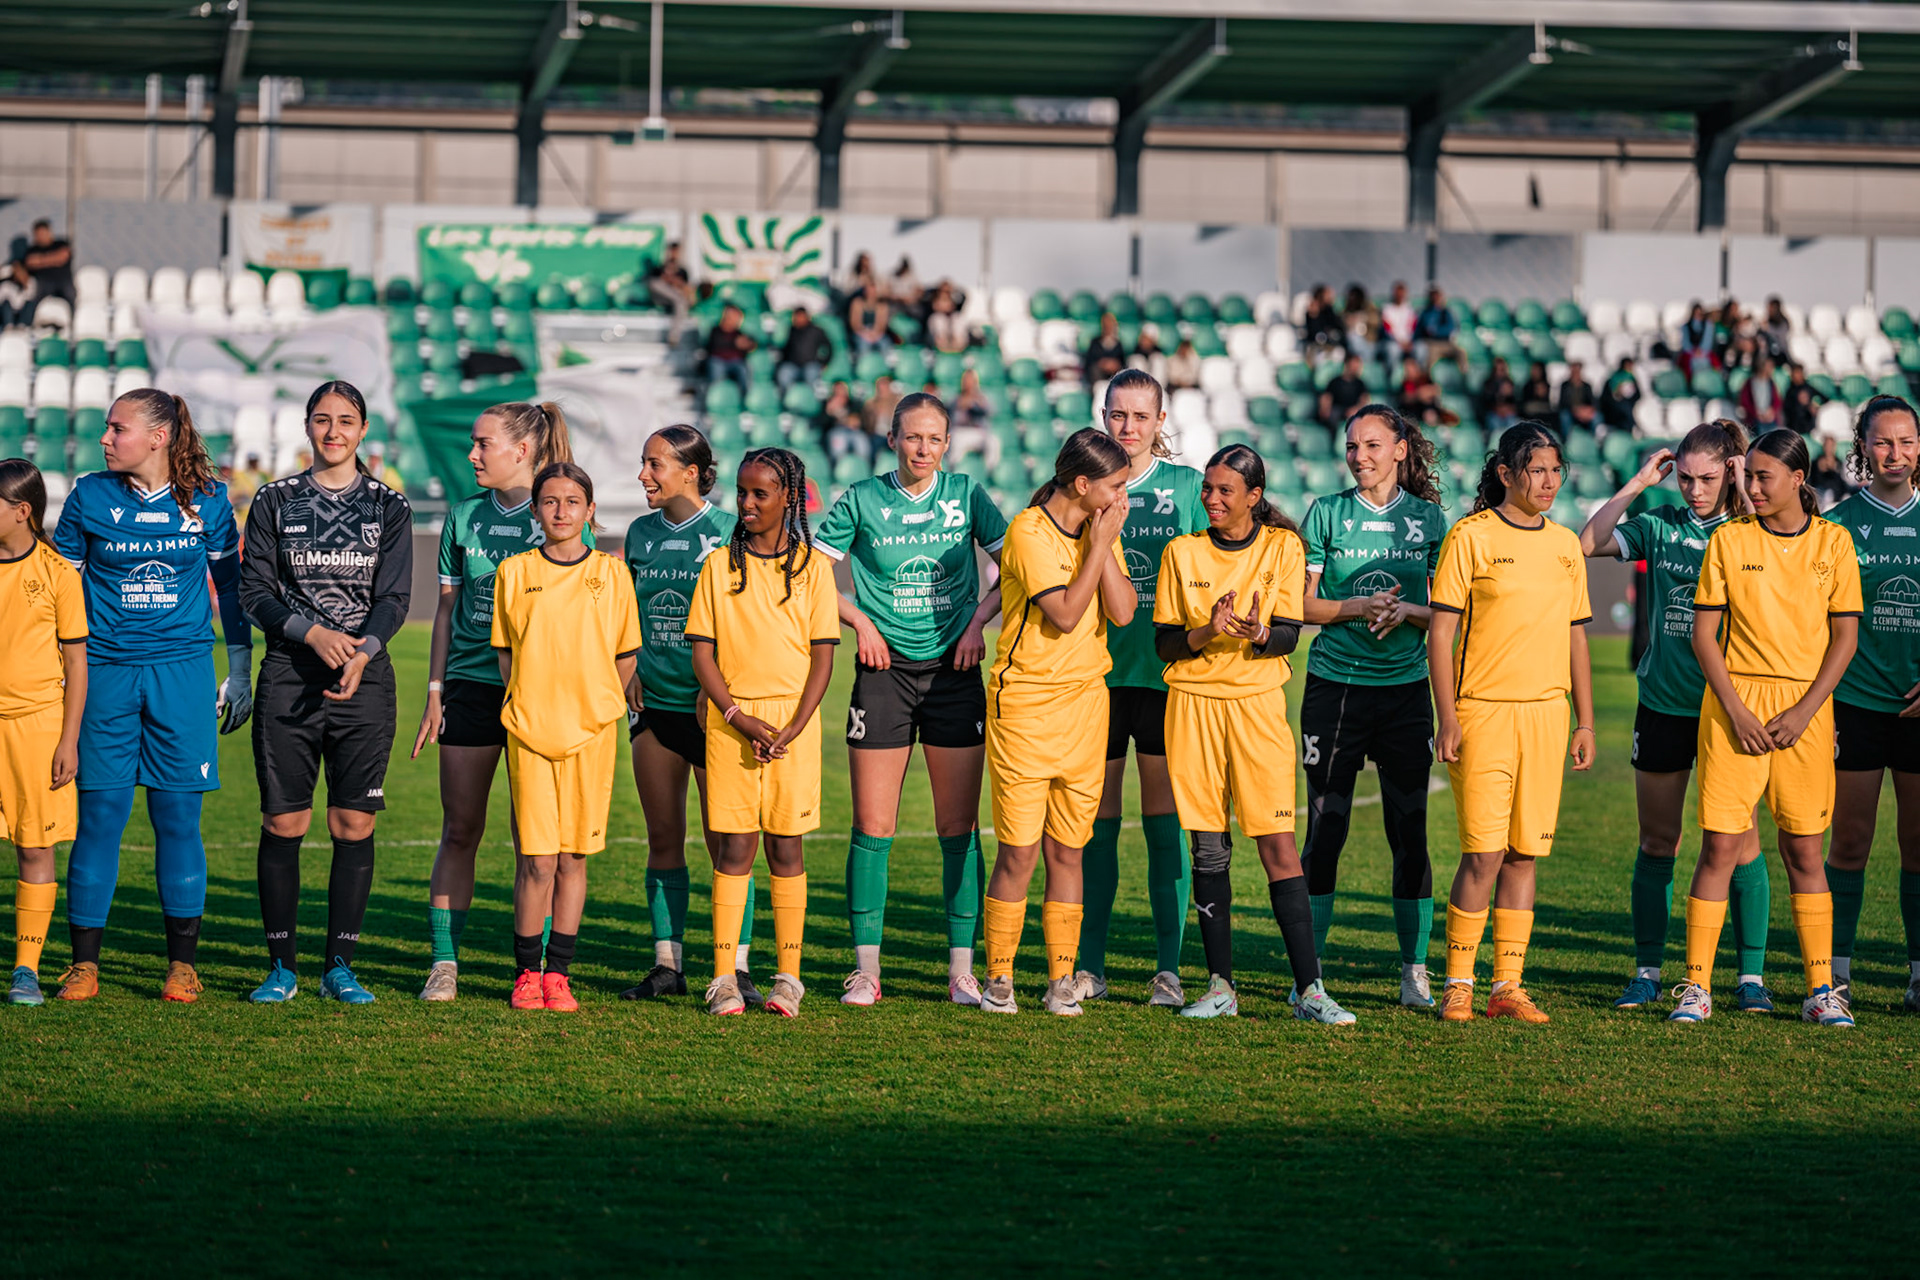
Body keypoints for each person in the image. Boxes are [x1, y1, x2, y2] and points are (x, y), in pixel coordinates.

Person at [51, 389, 253, 1003]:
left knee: (177, 820)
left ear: (159, 436)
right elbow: (57, 593)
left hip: (183, 676)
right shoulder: (89, 495)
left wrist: (239, 667)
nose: (106, 439)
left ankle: (181, 967)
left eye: (118, 428)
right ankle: (84, 965)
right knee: (101, 819)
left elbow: (232, 589)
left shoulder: (210, 501)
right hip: (105, 675)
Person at [815, 394, 1007, 1006]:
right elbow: (813, 576)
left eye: (935, 439)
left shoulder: (967, 494)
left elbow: (1016, 570)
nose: (924, 449)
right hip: (882, 673)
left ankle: (961, 973)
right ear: (892, 437)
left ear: (948, 443)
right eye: (912, 437)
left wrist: (978, 623)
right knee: (873, 826)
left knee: (959, 828)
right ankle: (866, 971)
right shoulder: (861, 499)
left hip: (956, 671)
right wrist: (860, 623)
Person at [1580, 421, 1774, 1013]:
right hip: (1664, 704)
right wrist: (1640, 482)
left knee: (1739, 844)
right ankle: (1647, 970)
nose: (1692, 490)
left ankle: (1751, 978)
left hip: (1731, 712)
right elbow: (1587, 543)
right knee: (1658, 841)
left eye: (1707, 478)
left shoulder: (1753, 531)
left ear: (1733, 471)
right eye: (1685, 478)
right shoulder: (1661, 524)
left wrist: (1744, 490)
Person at [1156, 445, 1352, 1024]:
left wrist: (1260, 633)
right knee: (1208, 847)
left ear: (1254, 497)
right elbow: (1166, 643)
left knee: (1278, 845)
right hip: (1192, 707)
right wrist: (1205, 631)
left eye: (1224, 491)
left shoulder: (1282, 547)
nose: (1211, 500)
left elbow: (1290, 634)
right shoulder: (1181, 552)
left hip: (1258, 710)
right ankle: (1221, 987)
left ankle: (1309, 991)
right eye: (1207, 489)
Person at [1672, 429, 1861, 1028]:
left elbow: (1845, 638)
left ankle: (1821, 990)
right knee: (1720, 847)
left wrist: (1806, 712)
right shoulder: (1729, 542)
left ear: (1798, 480)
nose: (1749, 488)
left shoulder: (1834, 543)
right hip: (1735, 705)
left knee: (1805, 850)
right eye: (1746, 476)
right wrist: (1737, 709)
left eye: (1762, 477)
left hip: (1805, 710)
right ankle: (1696, 988)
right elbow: (1704, 635)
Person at [239, 381, 412, 1004]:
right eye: (321, 419)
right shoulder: (273, 501)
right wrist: (311, 634)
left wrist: (361, 653)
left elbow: (394, 599)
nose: (333, 431)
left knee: (351, 822)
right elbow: (253, 593)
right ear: (306, 427)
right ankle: (281, 966)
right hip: (290, 674)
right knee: (284, 820)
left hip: (364, 681)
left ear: (363, 430)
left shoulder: (389, 506)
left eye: (346, 421)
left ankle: (340, 965)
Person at [1429, 421, 1595, 1025]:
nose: (1548, 482)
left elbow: (1578, 636)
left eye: (1557, 471)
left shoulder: (1566, 544)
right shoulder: (1469, 537)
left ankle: (1508, 984)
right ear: (1505, 474)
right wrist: (1447, 716)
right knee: (1484, 854)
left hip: (1548, 717)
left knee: (1525, 854)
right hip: (1483, 714)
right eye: (1537, 470)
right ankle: (1458, 983)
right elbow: (1441, 632)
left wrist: (1586, 721)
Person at [412, 401, 576, 1001]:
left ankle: (537, 969)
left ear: (523, 451)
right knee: (461, 829)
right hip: (471, 689)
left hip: (544, 696)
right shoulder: (462, 518)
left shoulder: (559, 514)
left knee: (539, 843)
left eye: (483, 444)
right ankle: (445, 963)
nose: (472, 454)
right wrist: (435, 691)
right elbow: (448, 613)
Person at [1297, 405, 1449, 1009]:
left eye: (1372, 445)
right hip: (1335, 689)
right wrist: (1359, 609)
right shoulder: (1327, 512)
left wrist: (1406, 611)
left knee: (1409, 831)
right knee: (1325, 829)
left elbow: (1450, 613)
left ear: (1401, 450)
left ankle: (1414, 971)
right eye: (1352, 446)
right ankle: (1309, 976)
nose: (1359, 456)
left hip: (1407, 693)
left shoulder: (1431, 520)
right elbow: (1300, 607)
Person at [980, 429, 1136, 1015]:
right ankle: (999, 979)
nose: (1124, 495)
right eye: (1116, 485)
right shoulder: (1027, 532)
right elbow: (1068, 615)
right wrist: (1099, 548)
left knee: (1068, 850)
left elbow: (1120, 611)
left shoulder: (1100, 530)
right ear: (1082, 484)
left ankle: (1061, 980)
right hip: (1024, 708)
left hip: (1086, 706)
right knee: (1019, 853)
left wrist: (1104, 543)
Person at [1068, 369, 1206, 1007]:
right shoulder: (1087, 483)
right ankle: (1089, 965)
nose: (1128, 428)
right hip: (1095, 675)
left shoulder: (1188, 488)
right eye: (1117, 416)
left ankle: (1168, 970)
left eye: (1140, 417)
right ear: (1103, 418)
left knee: (1162, 824)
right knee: (1096, 823)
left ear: (1160, 421)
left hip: (1165, 676)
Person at [687, 448, 838, 1018]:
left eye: (760, 494)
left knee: (785, 847)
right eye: (742, 493)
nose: (746, 504)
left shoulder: (813, 570)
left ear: (789, 499)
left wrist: (794, 727)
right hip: (731, 724)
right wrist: (736, 716)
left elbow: (822, 657)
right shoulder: (717, 566)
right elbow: (703, 653)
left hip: (792, 728)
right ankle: (724, 977)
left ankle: (788, 978)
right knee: (734, 847)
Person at [491, 463, 641, 1011]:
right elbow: (506, 653)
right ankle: (526, 973)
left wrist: (598, 705)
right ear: (535, 510)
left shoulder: (613, 573)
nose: (561, 511)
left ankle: (558, 975)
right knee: (536, 860)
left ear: (590, 510)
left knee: (574, 858)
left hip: (592, 735)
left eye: (572, 502)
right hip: (530, 733)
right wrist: (530, 701)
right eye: (550, 502)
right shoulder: (513, 572)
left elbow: (626, 657)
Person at [617, 426, 759, 1004]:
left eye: (655, 464)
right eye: (644, 462)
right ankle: (667, 965)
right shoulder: (639, 534)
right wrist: (627, 672)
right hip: (656, 709)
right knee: (664, 838)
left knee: (729, 843)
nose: (644, 474)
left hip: (717, 714)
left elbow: (749, 622)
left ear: (693, 472)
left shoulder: (731, 531)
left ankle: (736, 967)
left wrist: (716, 687)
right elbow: (626, 614)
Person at [1823, 397, 1920, 1014]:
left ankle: (1916, 975)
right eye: (1883, 443)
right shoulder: (1835, 524)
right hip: (1854, 706)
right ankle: (1834, 974)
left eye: (1907, 441)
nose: (1896, 454)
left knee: (1919, 845)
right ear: (1862, 448)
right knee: (1849, 843)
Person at [0, 460, 86, 1006]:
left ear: (21, 511)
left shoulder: (59, 574)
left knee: (35, 846)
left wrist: (68, 740)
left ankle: (25, 971)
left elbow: (77, 664)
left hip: (36, 727)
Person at [19, 220, 73, 325]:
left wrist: (41, 260)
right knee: (32, 295)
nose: (40, 236)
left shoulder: (61, 243)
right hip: (42, 282)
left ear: (49, 232)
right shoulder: (33, 249)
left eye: (42, 233)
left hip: (63, 281)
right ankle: (28, 325)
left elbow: (63, 257)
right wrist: (53, 259)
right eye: (37, 234)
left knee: (70, 293)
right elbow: (30, 262)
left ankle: (72, 322)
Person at [646, 241, 695, 342]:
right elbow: (653, 284)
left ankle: (674, 337)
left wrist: (676, 282)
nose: (673, 254)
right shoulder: (659, 268)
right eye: (672, 251)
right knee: (654, 283)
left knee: (681, 301)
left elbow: (686, 287)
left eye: (676, 252)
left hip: (676, 297)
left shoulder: (682, 271)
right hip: (660, 296)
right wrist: (666, 278)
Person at [704, 304, 755, 395]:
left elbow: (750, 344)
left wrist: (749, 345)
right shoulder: (715, 330)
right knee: (715, 368)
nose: (735, 320)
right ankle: (713, 397)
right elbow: (712, 347)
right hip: (718, 361)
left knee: (744, 370)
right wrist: (735, 344)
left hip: (736, 362)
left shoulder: (738, 333)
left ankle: (746, 399)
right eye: (732, 316)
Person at [777, 306, 833, 390]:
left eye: (801, 316)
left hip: (810, 365)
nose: (799, 319)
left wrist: (824, 362)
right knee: (784, 375)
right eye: (796, 316)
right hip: (793, 365)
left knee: (811, 376)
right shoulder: (790, 331)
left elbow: (828, 346)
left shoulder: (816, 331)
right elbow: (784, 350)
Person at [1415, 286, 1461, 368]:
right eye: (1433, 296)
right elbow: (1425, 329)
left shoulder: (1446, 312)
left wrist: (1436, 331)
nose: (1436, 298)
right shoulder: (1425, 313)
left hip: (1446, 343)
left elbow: (1450, 329)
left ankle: (1464, 376)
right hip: (1432, 344)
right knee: (1429, 358)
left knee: (1461, 353)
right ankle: (1429, 378)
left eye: (1438, 296)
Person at [1319, 354, 1368, 428]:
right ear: (1347, 365)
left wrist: (1356, 409)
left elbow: (1364, 400)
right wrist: (1325, 409)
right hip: (1337, 411)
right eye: (1353, 365)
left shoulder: (1360, 383)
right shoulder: (1335, 381)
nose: (1356, 368)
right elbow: (1326, 397)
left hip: (1353, 411)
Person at [849, 283, 892, 357]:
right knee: (864, 345)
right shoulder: (857, 303)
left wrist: (874, 334)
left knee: (885, 344)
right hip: (861, 333)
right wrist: (865, 333)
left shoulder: (882, 306)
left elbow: (882, 324)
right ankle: (863, 365)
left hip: (877, 334)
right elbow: (854, 323)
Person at [1739, 355, 1782, 431]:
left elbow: (1777, 400)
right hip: (1755, 421)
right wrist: (1756, 413)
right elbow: (1744, 401)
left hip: (1770, 419)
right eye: (1770, 366)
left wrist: (1772, 411)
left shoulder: (1771, 383)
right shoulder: (1750, 382)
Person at [1378, 280, 1416, 364]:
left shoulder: (1410, 310)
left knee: (1421, 349)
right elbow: (1387, 331)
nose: (1400, 295)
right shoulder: (1386, 309)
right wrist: (1400, 343)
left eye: (1402, 293)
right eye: (1398, 293)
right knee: (1393, 350)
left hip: (1408, 342)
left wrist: (1409, 342)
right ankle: (1392, 375)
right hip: (1393, 342)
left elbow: (1413, 329)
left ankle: (1418, 375)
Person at [1302, 285, 1343, 361]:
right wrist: (1314, 315)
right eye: (1328, 295)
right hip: (1316, 346)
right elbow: (1313, 332)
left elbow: (1338, 326)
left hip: (1330, 344)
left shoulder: (1329, 310)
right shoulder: (1312, 312)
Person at [1600, 357, 1642, 432]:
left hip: (1629, 406)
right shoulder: (1613, 379)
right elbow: (1606, 399)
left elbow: (1638, 396)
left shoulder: (1632, 379)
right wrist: (1618, 393)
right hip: (1614, 408)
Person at [1478, 357, 1519, 433]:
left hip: (1508, 414)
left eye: (1502, 369)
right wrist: (1499, 395)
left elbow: (1516, 402)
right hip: (1494, 414)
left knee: (1512, 422)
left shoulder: (1510, 383)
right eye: (1498, 369)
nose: (1500, 372)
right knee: (1495, 423)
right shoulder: (1488, 384)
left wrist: (1508, 397)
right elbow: (1485, 403)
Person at [925, 283, 969, 354]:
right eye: (942, 300)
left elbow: (964, 297)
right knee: (939, 319)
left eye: (946, 300)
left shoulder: (956, 317)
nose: (945, 304)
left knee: (957, 319)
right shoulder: (933, 317)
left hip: (956, 349)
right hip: (935, 348)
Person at [1083, 312, 1127, 383]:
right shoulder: (1095, 343)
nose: (1108, 327)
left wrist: (1115, 365)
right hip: (1098, 381)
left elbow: (1124, 364)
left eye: (1110, 324)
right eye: (1106, 325)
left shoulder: (1118, 344)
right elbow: (1088, 363)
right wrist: (1102, 364)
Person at [1811, 433, 1853, 506]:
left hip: (1836, 493)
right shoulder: (1816, 462)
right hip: (1820, 492)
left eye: (1830, 446)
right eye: (1826, 445)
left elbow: (1842, 481)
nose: (1828, 448)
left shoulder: (1839, 462)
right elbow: (1813, 480)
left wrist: (1834, 469)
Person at [1557, 361, 1597, 431]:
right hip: (1570, 410)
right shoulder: (1565, 385)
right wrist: (1575, 410)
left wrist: (1587, 410)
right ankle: (1566, 439)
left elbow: (1592, 401)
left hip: (1584, 411)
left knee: (1596, 417)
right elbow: (1562, 402)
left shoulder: (1586, 386)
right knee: (1564, 416)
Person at [1783, 363, 1822, 436]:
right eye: (1795, 373)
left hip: (1809, 428)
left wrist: (1814, 405)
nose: (1797, 376)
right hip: (1794, 429)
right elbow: (1787, 409)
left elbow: (1823, 398)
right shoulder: (1790, 391)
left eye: (1799, 372)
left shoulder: (1808, 388)